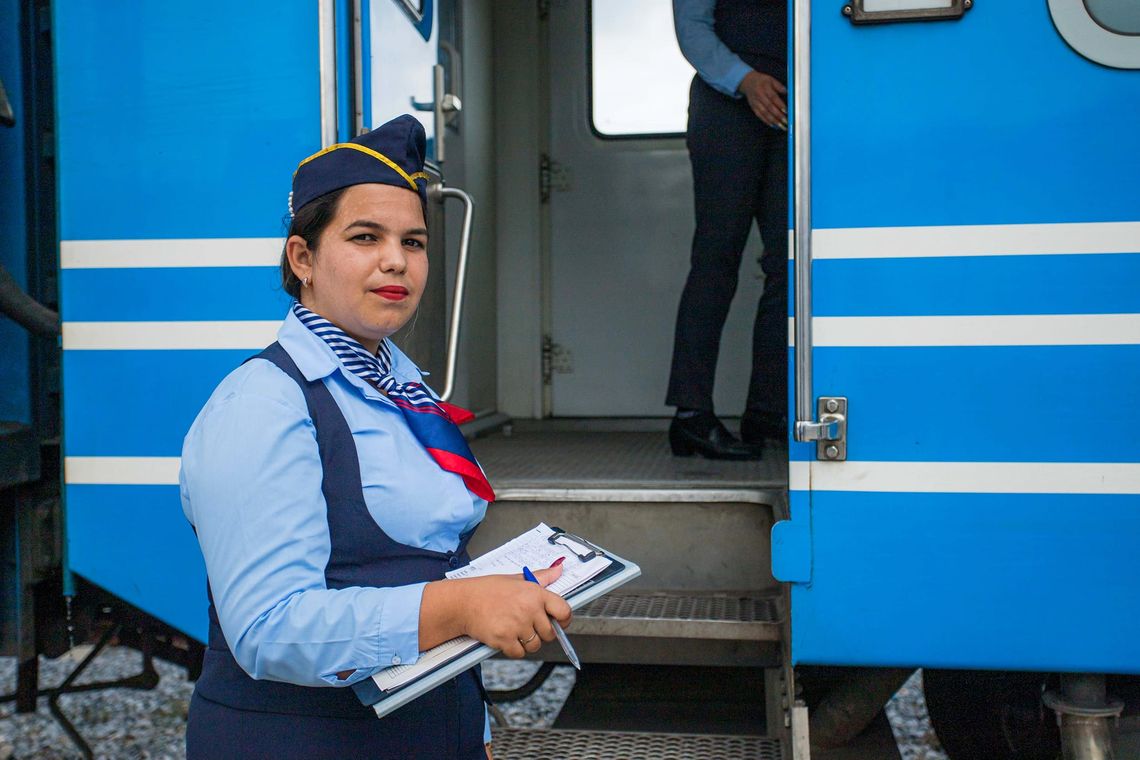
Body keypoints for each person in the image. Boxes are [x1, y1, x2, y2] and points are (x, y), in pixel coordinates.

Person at [180, 115, 571, 760]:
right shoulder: (262, 403)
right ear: (302, 257)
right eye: (366, 237)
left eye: (413, 242)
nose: (396, 260)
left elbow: (424, 562)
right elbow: (270, 630)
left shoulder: (401, 387)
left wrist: (472, 731)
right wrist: (461, 607)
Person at [666, 0, 789, 460]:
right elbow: (692, 28)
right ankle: (691, 417)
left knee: (789, 263)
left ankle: (767, 410)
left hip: (790, 114)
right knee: (717, 260)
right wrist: (745, 80)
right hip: (728, 109)